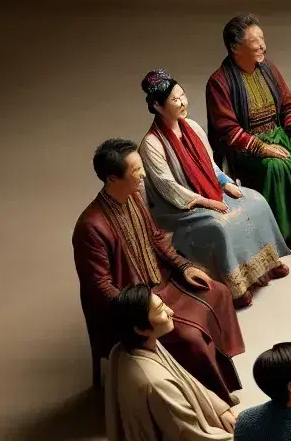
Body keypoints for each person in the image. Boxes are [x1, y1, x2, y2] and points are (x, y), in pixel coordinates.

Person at [74, 138, 244, 402]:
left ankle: (218, 375)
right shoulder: (91, 226)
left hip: (160, 281)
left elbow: (156, 239)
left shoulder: (134, 198)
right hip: (133, 305)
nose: (144, 175)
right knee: (189, 337)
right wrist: (145, 307)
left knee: (218, 291)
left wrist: (184, 266)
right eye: (136, 171)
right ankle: (207, 396)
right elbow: (100, 288)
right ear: (112, 179)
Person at [104, 285, 251, 441]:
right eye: (161, 310)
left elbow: (185, 379)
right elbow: (192, 439)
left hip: (180, 436)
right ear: (141, 327)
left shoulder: (132, 346)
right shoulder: (155, 384)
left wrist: (220, 409)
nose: (171, 311)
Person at [136, 70, 290, 307]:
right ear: (157, 106)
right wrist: (207, 202)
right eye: (175, 99)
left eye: (183, 95)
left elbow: (210, 164)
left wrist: (226, 184)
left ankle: (268, 264)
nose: (183, 102)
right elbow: (168, 187)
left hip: (211, 188)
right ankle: (236, 287)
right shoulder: (152, 143)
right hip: (182, 206)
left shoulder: (192, 127)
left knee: (256, 201)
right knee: (220, 226)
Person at [204, 14, 291, 249]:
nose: (263, 45)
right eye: (255, 41)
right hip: (247, 147)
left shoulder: (268, 68)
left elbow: (287, 103)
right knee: (280, 166)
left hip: (278, 133)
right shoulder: (219, 82)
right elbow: (228, 130)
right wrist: (262, 148)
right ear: (235, 48)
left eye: (262, 38)